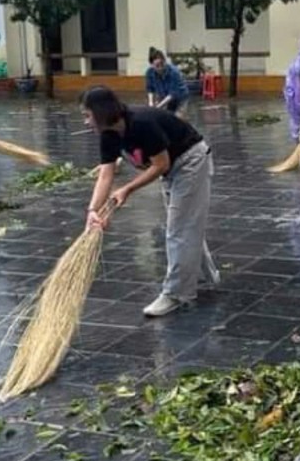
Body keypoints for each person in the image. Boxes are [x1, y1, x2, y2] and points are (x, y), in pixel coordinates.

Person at [82, 86, 219, 317]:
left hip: (190, 162)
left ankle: (176, 295)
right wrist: (93, 211)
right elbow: (106, 175)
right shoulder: (108, 134)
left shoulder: (141, 124)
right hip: (172, 169)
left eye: (87, 115)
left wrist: (128, 189)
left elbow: (161, 164)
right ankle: (207, 276)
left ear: (102, 112)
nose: (86, 122)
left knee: (180, 229)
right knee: (184, 225)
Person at [144, 48, 189, 114]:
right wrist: (151, 103)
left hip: (180, 98)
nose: (160, 68)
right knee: (163, 117)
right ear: (152, 65)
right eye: (157, 66)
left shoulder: (174, 72)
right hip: (163, 96)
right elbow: (150, 89)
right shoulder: (149, 72)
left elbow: (172, 94)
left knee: (177, 119)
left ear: (164, 61)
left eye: (162, 64)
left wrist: (158, 107)